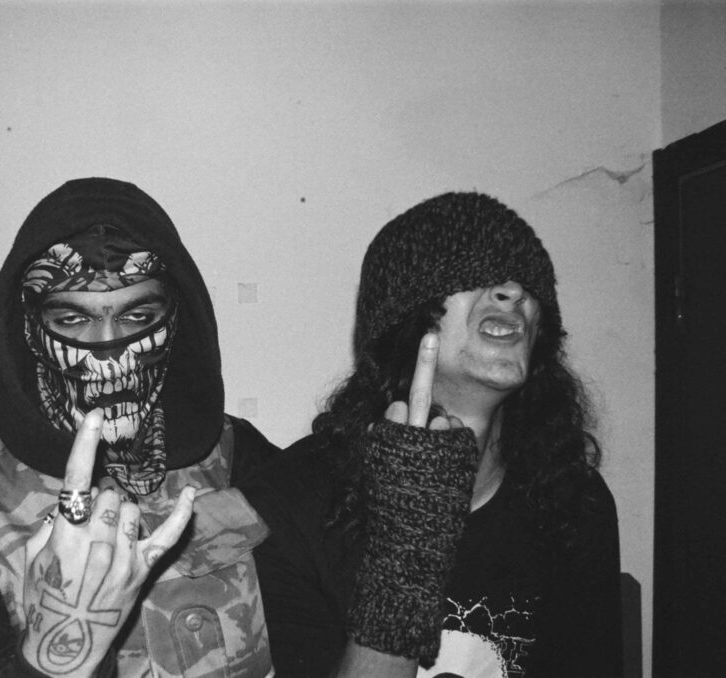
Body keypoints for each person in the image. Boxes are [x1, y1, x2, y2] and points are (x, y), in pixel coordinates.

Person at [0, 177, 277, 677]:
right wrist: (53, 658)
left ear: (175, 321)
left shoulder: (236, 453)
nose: (109, 351)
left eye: (138, 316)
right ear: (30, 330)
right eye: (73, 321)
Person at [243, 191, 622, 677]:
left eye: (526, 282)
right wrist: (409, 543)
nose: (513, 292)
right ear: (406, 314)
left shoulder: (573, 499)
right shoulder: (289, 503)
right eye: (472, 271)